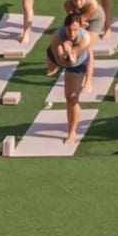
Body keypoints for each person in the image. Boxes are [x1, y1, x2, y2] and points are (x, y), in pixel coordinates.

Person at [45, 12, 94, 147]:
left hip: (77, 63)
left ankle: (72, 132)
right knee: (50, 68)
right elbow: (61, 60)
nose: (72, 34)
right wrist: (64, 52)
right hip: (58, 55)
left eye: (75, 30)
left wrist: (69, 52)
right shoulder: (57, 36)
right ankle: (52, 68)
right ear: (64, 28)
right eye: (69, 30)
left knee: (71, 97)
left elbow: (71, 62)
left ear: (80, 29)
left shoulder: (85, 38)